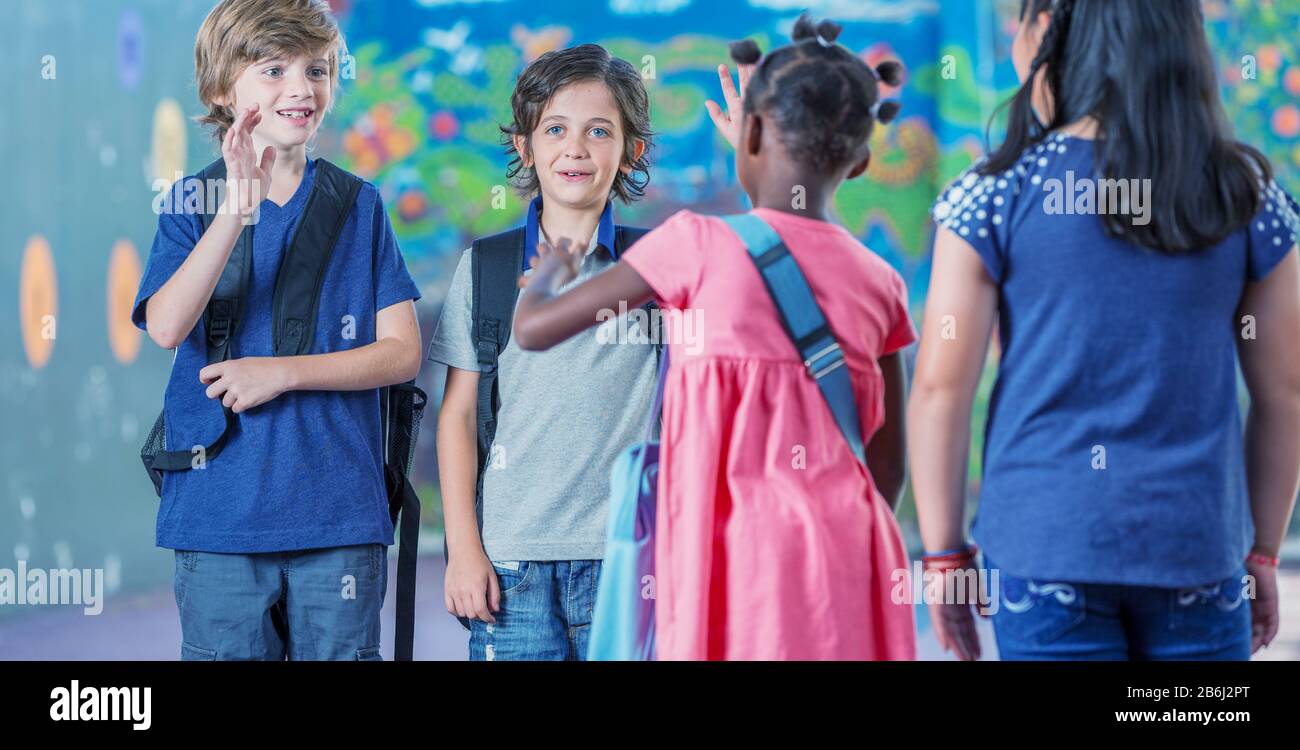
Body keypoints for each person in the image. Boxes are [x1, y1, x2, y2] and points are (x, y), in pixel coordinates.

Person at [510, 15, 918, 660]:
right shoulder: (882, 283)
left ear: (750, 132)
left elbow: (533, 331)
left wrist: (552, 271)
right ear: (863, 158)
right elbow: (888, 466)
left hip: (728, 563)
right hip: (849, 556)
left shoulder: (694, 246)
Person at [909, 0, 1300, 660]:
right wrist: (1262, 549)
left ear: (1052, 36)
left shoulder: (994, 193)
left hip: (1043, 547)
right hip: (1197, 551)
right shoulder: (1247, 193)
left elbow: (941, 390)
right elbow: (1285, 394)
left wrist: (944, 556)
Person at [132, 0, 422, 660]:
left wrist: (284, 372)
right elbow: (167, 325)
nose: (301, 88)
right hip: (219, 517)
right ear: (220, 89)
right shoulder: (189, 202)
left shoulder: (359, 205)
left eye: (316, 70)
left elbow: (402, 352)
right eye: (273, 69)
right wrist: (236, 211)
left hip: (340, 514)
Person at [427, 43, 659, 660]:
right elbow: (456, 416)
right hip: (511, 564)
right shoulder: (487, 267)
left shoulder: (660, 268)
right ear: (528, 147)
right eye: (555, 128)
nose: (575, 147)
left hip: (628, 560)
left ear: (630, 150)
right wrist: (464, 548)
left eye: (598, 130)